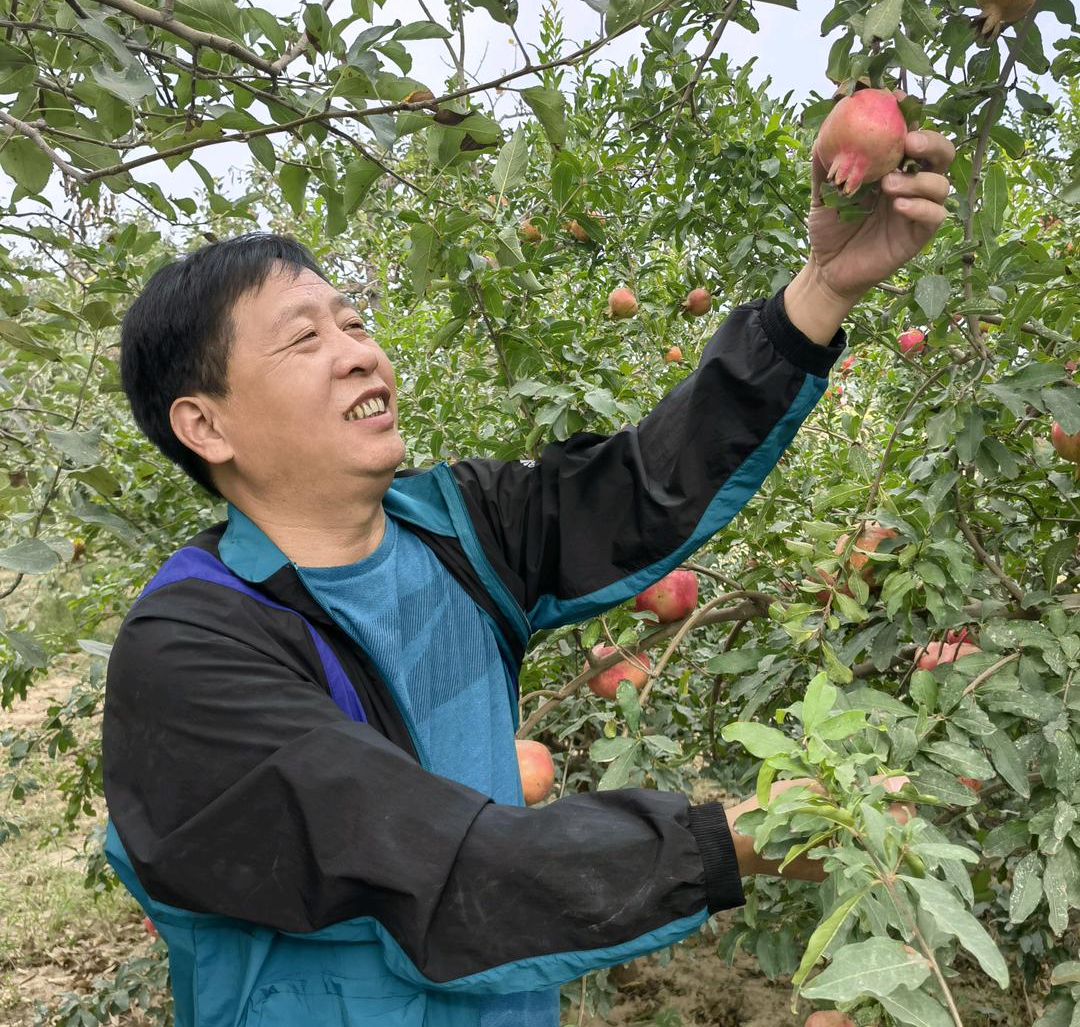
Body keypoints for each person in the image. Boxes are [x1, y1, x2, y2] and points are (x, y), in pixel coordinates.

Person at [102, 122, 954, 1027]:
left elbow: (646, 487)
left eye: (352, 322)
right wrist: (731, 839)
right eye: (303, 340)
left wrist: (821, 288)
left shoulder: (457, 527)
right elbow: (440, 867)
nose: (357, 351)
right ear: (206, 426)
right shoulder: (188, 651)